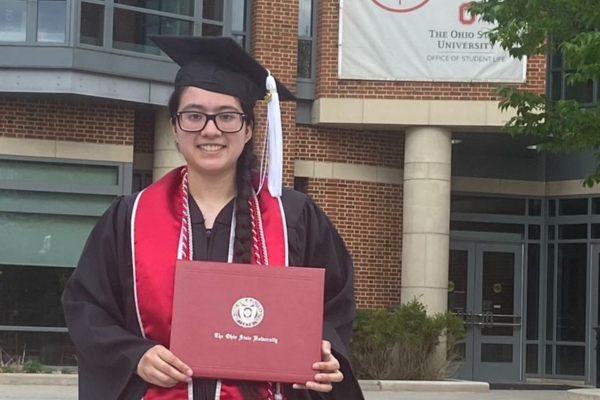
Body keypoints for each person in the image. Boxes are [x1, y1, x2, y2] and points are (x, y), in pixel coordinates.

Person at [61, 35, 364, 400]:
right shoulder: (129, 217)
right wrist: (134, 355)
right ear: (174, 128)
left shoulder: (294, 217)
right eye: (194, 116)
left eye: (226, 117)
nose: (210, 129)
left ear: (249, 129)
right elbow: (87, 306)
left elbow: (334, 306)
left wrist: (324, 352)